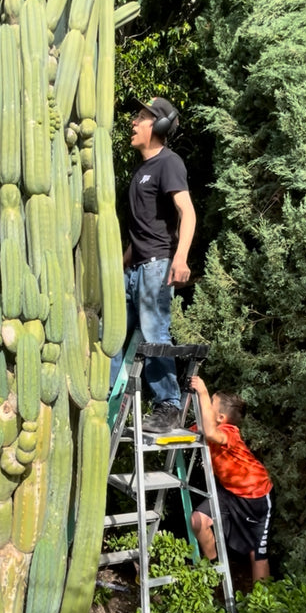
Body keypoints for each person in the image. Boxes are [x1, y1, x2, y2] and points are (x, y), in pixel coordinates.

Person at [111, 96, 196, 433]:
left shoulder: (168, 163)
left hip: (157, 267)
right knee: (111, 334)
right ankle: (109, 401)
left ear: (159, 125)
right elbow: (141, 232)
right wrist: (118, 268)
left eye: (141, 117)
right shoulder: (141, 171)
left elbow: (187, 212)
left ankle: (169, 406)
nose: (133, 122)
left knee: (153, 333)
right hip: (134, 268)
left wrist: (181, 257)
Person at [189, 375, 275, 583]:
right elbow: (189, 432)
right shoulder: (206, 427)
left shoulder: (229, 432)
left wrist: (202, 391)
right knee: (198, 521)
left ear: (220, 417)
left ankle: (263, 601)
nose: (205, 404)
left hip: (256, 497)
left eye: (210, 403)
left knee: (257, 554)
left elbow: (211, 433)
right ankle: (214, 571)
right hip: (228, 491)